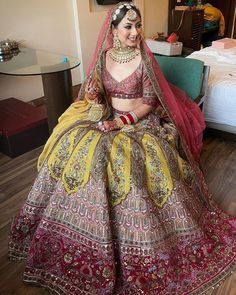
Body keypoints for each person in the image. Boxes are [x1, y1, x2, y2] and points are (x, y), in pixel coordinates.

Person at [9, 2, 236, 295]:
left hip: (138, 125)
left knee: (119, 159)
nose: (134, 32)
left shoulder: (143, 61)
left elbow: (149, 103)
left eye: (137, 25)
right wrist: (95, 98)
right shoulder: (104, 58)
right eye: (128, 26)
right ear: (114, 29)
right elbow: (99, 96)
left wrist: (121, 123)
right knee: (74, 146)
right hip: (106, 119)